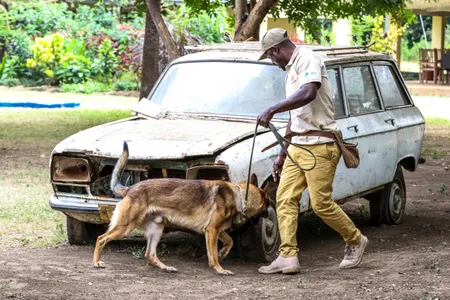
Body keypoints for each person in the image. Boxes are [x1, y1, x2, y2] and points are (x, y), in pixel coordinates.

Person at [256, 28, 368, 274]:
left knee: (320, 204)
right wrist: (282, 153)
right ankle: (288, 257)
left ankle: (355, 240)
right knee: (285, 199)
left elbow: (309, 92)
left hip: (321, 145)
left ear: (276, 50)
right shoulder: (289, 71)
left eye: (270, 56)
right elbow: (294, 117)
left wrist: (272, 108)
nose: (272, 62)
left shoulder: (307, 58)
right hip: (298, 146)